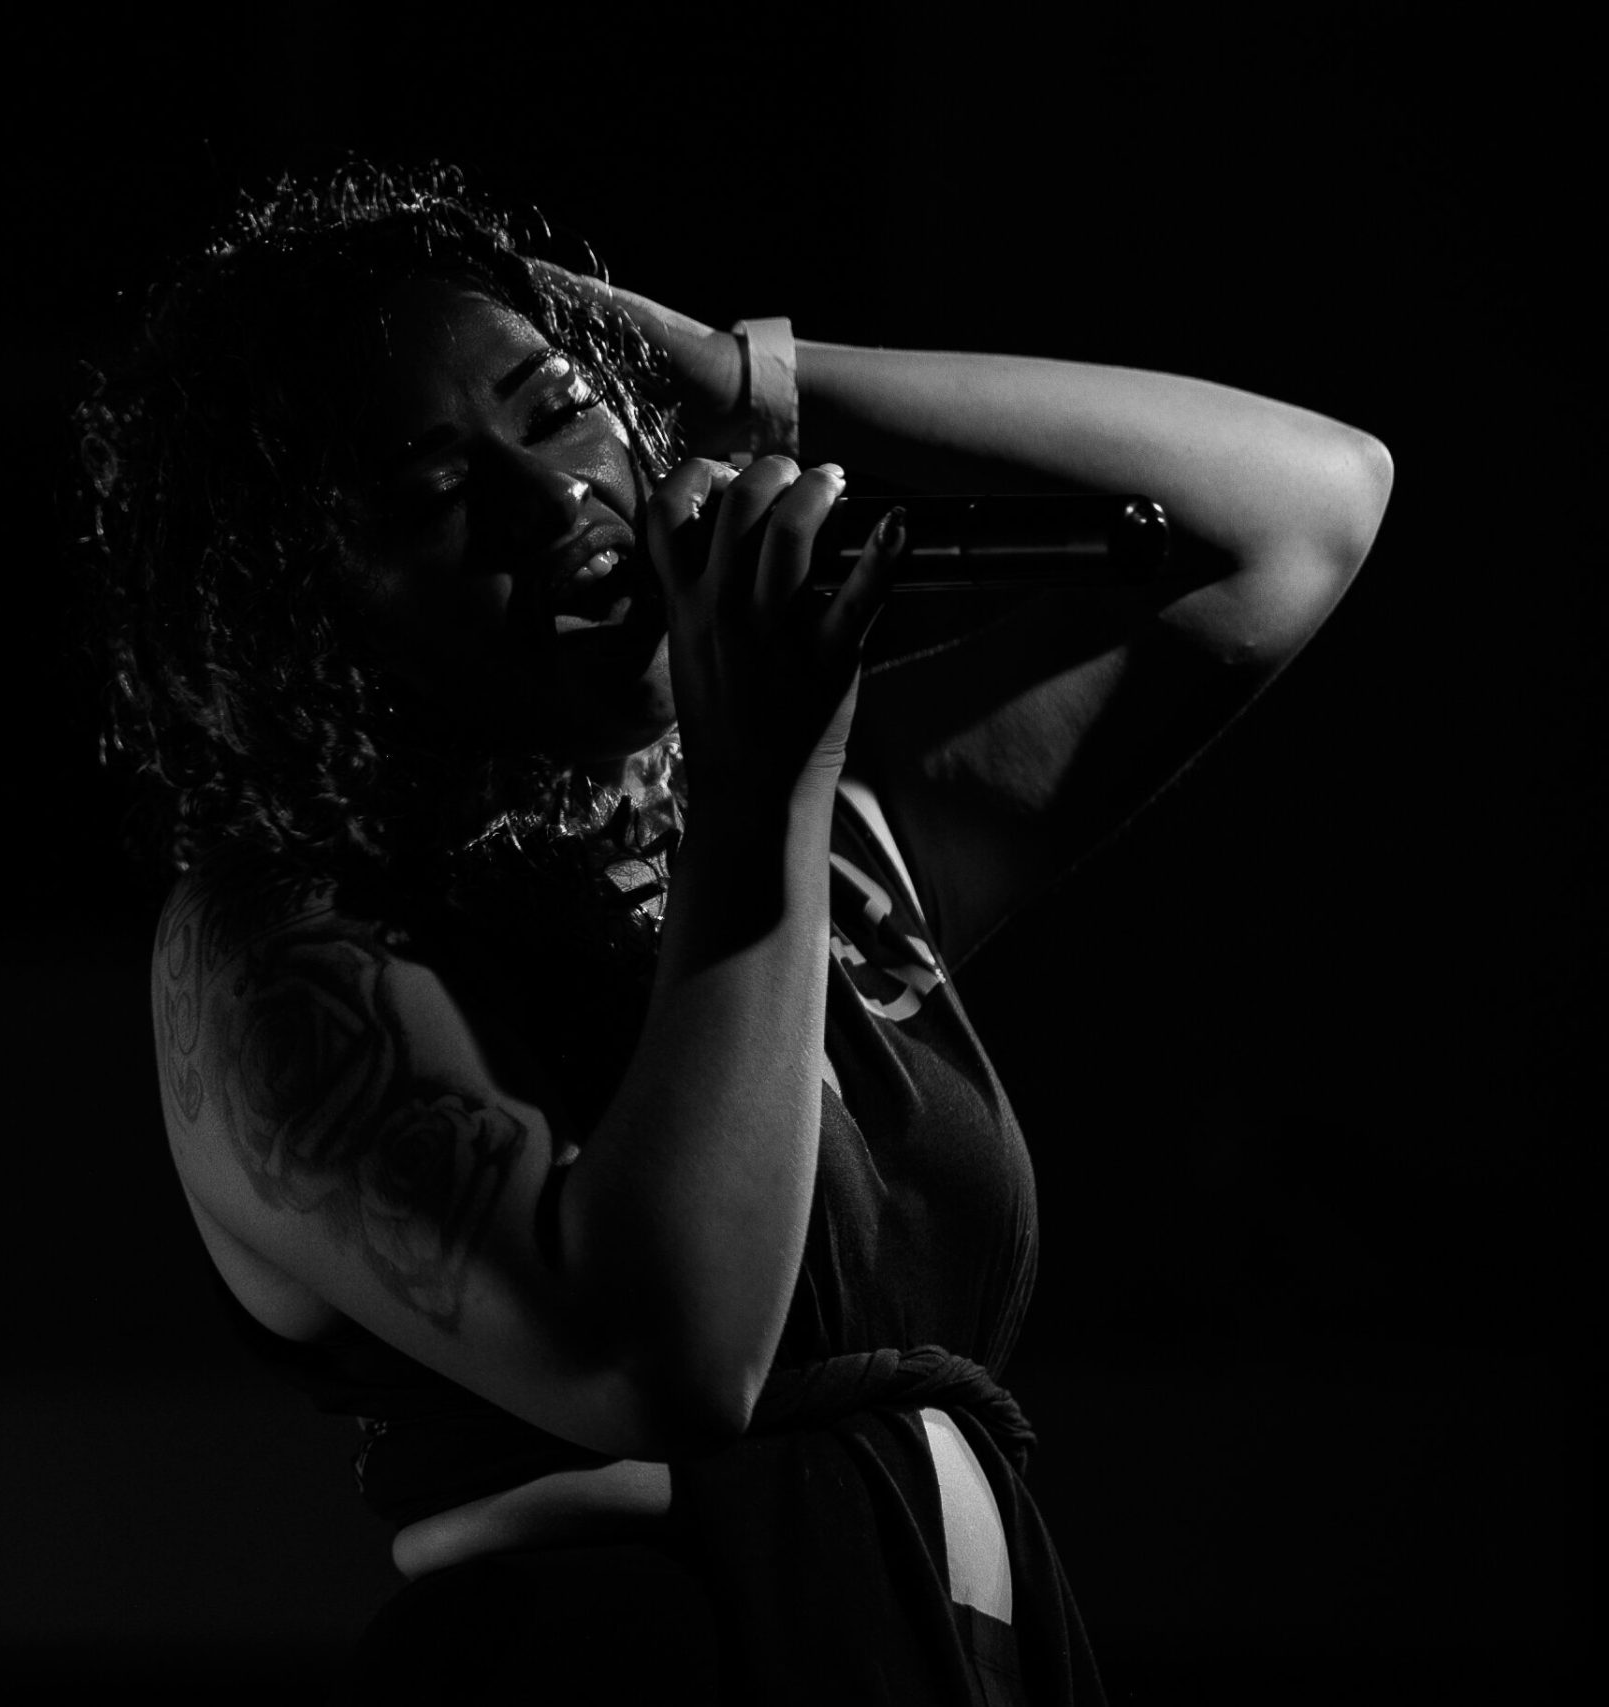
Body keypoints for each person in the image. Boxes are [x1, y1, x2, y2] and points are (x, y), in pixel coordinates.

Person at [71, 162, 1391, 1704]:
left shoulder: (801, 814)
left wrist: (744, 380)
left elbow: (1300, 512)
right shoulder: (286, 943)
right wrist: (764, 777)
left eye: (560, 408)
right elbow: (670, 1357)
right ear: (294, 607)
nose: (554, 499)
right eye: (433, 494)